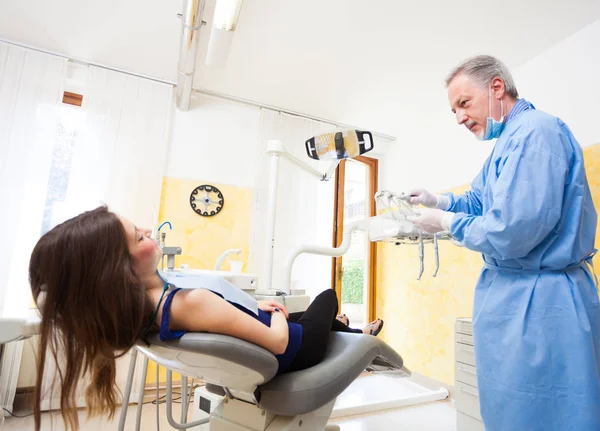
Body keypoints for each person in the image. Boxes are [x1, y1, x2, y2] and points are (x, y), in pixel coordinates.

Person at [28, 205, 383, 431]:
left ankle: (349, 329)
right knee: (325, 297)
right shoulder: (191, 302)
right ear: (118, 272)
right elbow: (278, 340)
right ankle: (354, 331)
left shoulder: (144, 316)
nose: (150, 231)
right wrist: (275, 315)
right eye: (140, 236)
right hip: (293, 350)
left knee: (314, 317)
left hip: (272, 341)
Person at [406, 55, 600, 430]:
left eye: (464, 103)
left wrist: (445, 221)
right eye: (453, 110)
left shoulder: (537, 132)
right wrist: (438, 201)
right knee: (513, 412)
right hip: (515, 298)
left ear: (497, 87)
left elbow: (511, 231)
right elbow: (480, 201)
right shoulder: (508, 142)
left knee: (550, 414)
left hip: (544, 304)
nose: (460, 117)